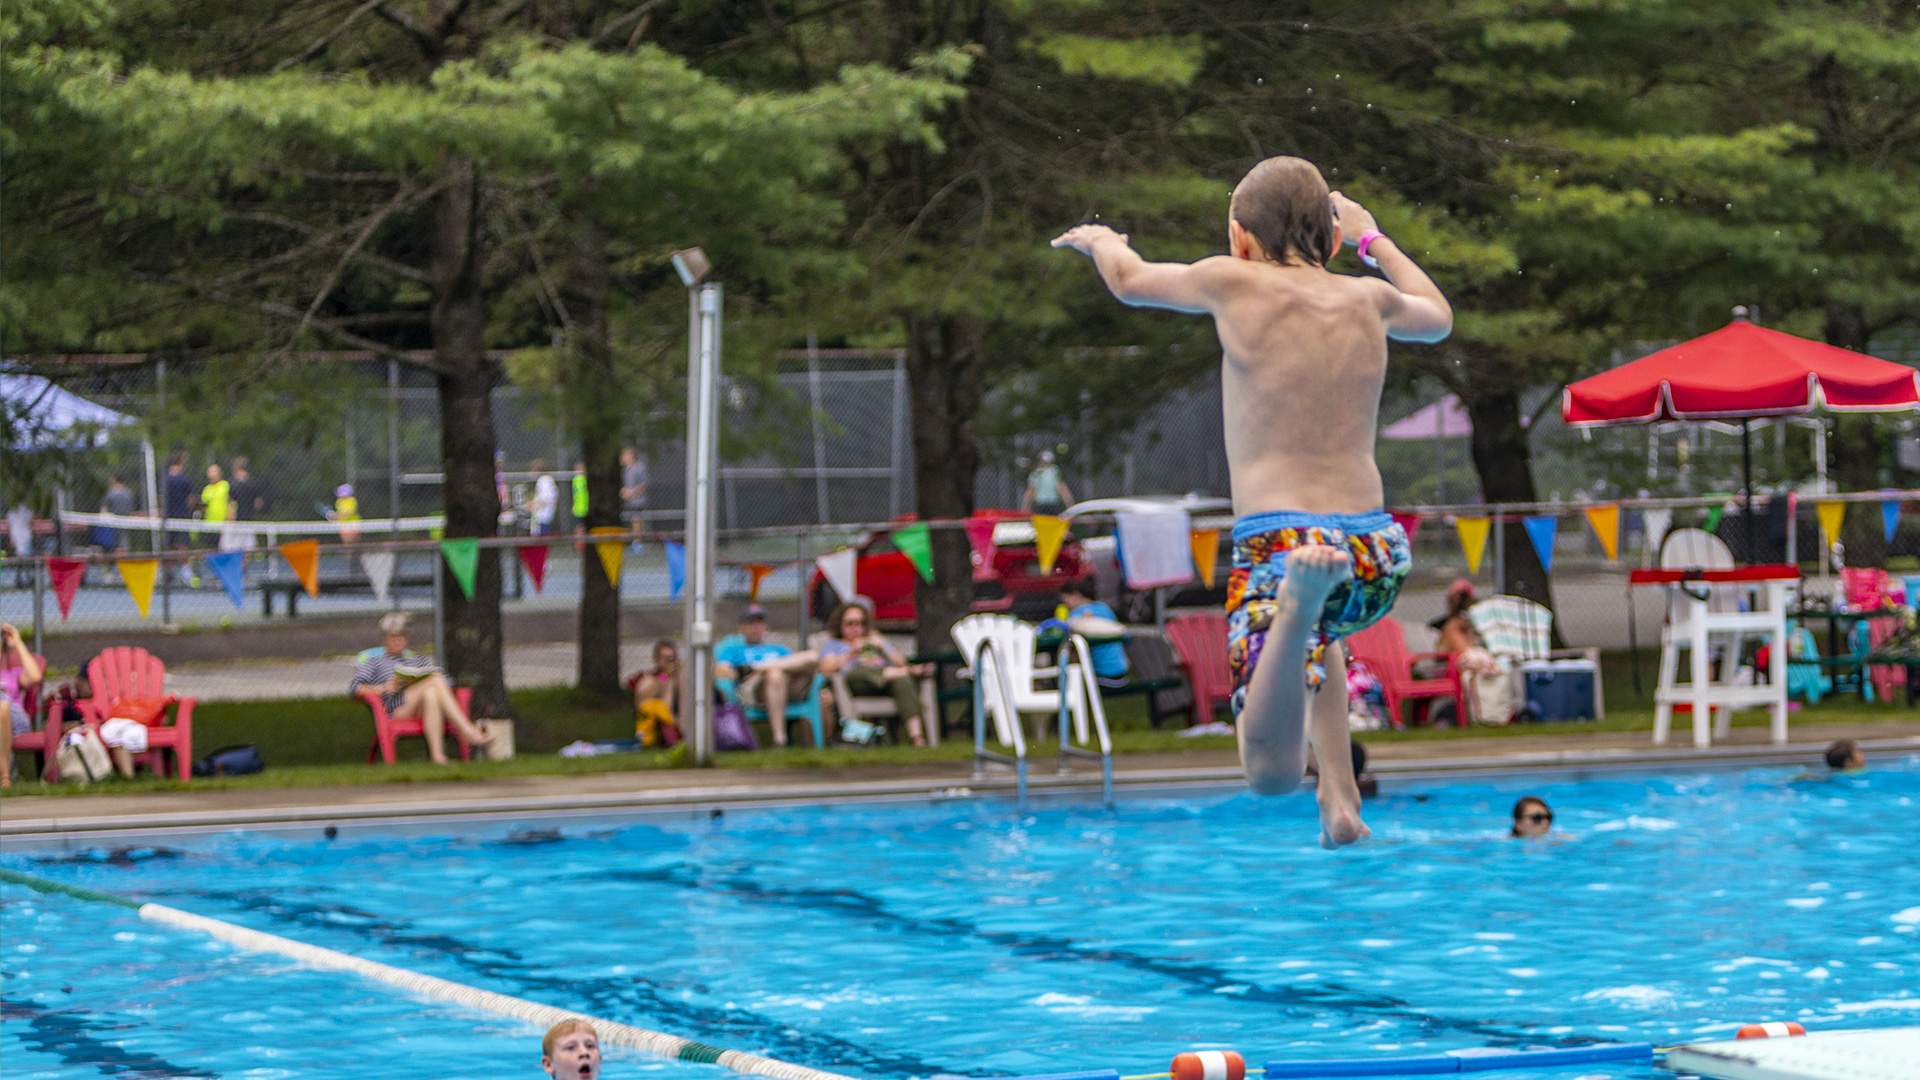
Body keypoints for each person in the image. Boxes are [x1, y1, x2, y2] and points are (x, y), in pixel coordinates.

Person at [1052, 155, 1452, 848]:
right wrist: (1373, 240)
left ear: (1240, 237)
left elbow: (1130, 282)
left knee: (1267, 772)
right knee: (1320, 633)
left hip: (1285, 547)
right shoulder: (1368, 298)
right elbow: (1440, 318)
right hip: (1374, 555)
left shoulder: (1231, 281)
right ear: (1331, 241)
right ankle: (1340, 795)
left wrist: (1101, 241)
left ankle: (1296, 615)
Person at [348, 612, 491, 763]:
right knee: (434, 679)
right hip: (397, 709)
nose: (398, 641)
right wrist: (382, 688)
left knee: (431, 693)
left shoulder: (418, 660)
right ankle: (467, 730)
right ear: (385, 640)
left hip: (423, 706)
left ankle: (438, 757)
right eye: (394, 638)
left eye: (402, 637)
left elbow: (447, 683)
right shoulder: (373, 663)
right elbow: (355, 688)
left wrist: (419, 682)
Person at [818, 601, 932, 746]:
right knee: (894, 674)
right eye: (850, 623)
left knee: (903, 682)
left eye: (860, 623)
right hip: (855, 681)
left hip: (886, 684)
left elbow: (901, 662)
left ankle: (916, 737)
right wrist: (852, 652)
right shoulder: (834, 645)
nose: (856, 628)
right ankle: (905, 673)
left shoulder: (875, 641)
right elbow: (825, 668)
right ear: (840, 625)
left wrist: (882, 648)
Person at [714, 606, 819, 747]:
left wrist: (758, 668)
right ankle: (779, 739)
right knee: (775, 674)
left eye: (759, 623)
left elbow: (810, 660)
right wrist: (736, 673)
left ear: (765, 626)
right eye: (750, 623)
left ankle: (760, 667)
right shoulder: (732, 650)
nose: (755, 627)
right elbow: (720, 670)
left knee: (813, 655)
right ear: (741, 628)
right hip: (755, 689)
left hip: (789, 686)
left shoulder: (778, 649)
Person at [1059, 577, 1129, 683]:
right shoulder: (1104, 608)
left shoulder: (1075, 616)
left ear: (1076, 595)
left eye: (1065, 600)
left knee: (1071, 648)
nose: (1065, 605)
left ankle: (1068, 684)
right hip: (1123, 674)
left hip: (1101, 677)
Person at [1, 622, 45, 789]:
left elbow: (35, 677)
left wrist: (17, 643)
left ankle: (5, 776)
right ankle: (5, 777)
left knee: (2, 704)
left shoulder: (12, 674)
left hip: (16, 721)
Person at [99, 474, 136, 553]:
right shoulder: (128, 493)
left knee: (113, 547)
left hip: (112, 525)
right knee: (123, 545)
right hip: (124, 523)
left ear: (114, 480)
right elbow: (131, 509)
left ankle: (116, 562)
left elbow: (104, 509)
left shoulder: (110, 493)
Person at [620, 446, 648, 536]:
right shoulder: (625, 470)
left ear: (630, 455)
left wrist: (632, 492)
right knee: (632, 521)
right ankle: (635, 540)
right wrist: (624, 492)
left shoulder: (639, 467)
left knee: (637, 520)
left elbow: (643, 485)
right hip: (629, 501)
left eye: (624, 455)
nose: (622, 457)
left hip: (638, 500)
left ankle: (637, 542)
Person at [526, 460, 559, 537]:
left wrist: (532, 504)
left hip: (542, 517)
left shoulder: (544, 480)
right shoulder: (545, 480)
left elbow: (545, 499)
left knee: (541, 540)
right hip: (542, 517)